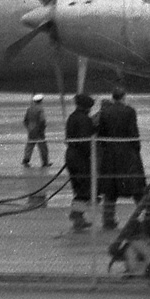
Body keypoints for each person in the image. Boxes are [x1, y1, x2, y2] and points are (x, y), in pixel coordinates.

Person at [94, 84, 146, 230]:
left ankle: (108, 220)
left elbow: (101, 134)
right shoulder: (129, 111)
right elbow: (133, 132)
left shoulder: (105, 112)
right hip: (127, 153)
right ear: (124, 97)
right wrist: (136, 149)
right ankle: (147, 216)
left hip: (110, 154)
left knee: (110, 190)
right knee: (136, 187)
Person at [64, 93, 97, 232]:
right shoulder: (84, 119)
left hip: (71, 155)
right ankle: (77, 215)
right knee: (84, 187)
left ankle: (78, 215)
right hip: (80, 158)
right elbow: (85, 141)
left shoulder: (72, 117)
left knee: (79, 187)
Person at [22, 94, 51, 168]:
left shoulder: (29, 109)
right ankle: (45, 162)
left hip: (31, 130)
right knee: (43, 147)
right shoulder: (40, 109)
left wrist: (28, 128)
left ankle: (26, 160)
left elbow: (25, 120)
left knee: (29, 146)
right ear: (41, 101)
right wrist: (42, 129)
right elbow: (42, 120)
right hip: (38, 130)